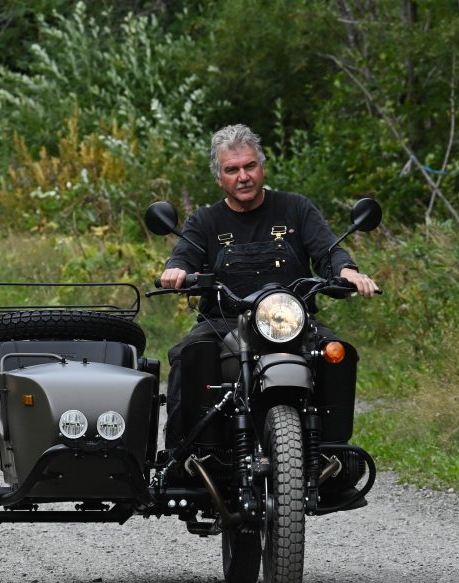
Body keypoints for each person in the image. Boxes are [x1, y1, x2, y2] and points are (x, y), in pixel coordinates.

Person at [158, 124, 380, 446]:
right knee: (188, 355)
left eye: (249, 165)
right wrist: (176, 270)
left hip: (292, 321)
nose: (243, 176)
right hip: (224, 322)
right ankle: (183, 461)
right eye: (231, 170)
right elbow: (184, 255)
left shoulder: (295, 208)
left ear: (262, 166)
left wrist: (348, 272)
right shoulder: (205, 221)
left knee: (338, 354)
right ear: (219, 178)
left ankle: (333, 454)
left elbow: (328, 250)